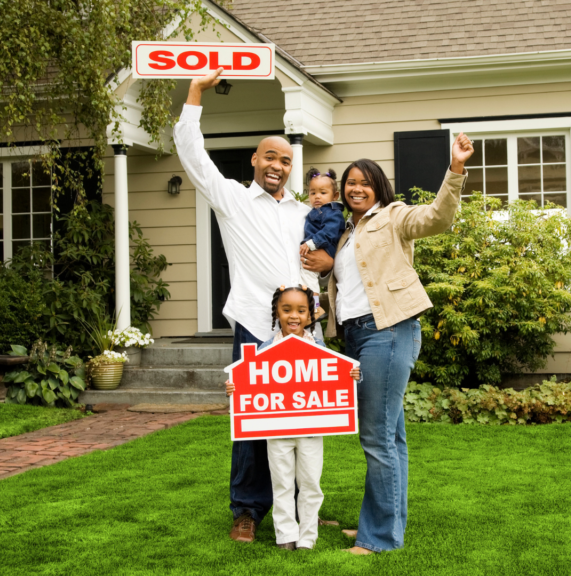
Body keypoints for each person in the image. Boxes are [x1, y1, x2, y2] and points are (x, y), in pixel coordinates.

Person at [173, 69, 335, 544]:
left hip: (306, 330)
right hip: (254, 325)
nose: (277, 166)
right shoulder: (231, 200)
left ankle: (304, 509)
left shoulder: (306, 212)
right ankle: (247, 508)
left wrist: (320, 300)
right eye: (270, 156)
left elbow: (315, 266)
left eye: (285, 160)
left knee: (307, 423)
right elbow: (193, 155)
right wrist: (196, 92)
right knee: (253, 422)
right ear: (254, 160)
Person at [324, 134, 475, 555]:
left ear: (379, 187)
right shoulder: (344, 233)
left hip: (388, 329)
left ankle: (380, 536)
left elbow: (436, 218)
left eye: (364, 182)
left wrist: (456, 169)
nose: (355, 188)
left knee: (376, 437)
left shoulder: (393, 216)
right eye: (349, 182)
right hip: (356, 335)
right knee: (390, 436)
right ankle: (383, 521)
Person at [224, 285, 360, 550]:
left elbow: (337, 378)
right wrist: (234, 388)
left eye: (301, 310)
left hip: (311, 432)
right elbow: (248, 382)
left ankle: (307, 537)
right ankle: (285, 535)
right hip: (277, 433)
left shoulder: (319, 349)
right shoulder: (264, 350)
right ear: (277, 313)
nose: (293, 316)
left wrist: (352, 376)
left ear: (310, 316)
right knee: (282, 484)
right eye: (286, 310)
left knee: (310, 484)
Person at [298, 168, 346, 321]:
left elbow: (330, 232)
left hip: (325, 247)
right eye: (313, 193)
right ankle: (313, 306)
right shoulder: (316, 211)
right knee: (306, 278)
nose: (317, 196)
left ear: (335, 195)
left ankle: (315, 307)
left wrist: (312, 243)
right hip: (318, 246)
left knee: (308, 277)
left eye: (323, 193)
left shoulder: (332, 212)